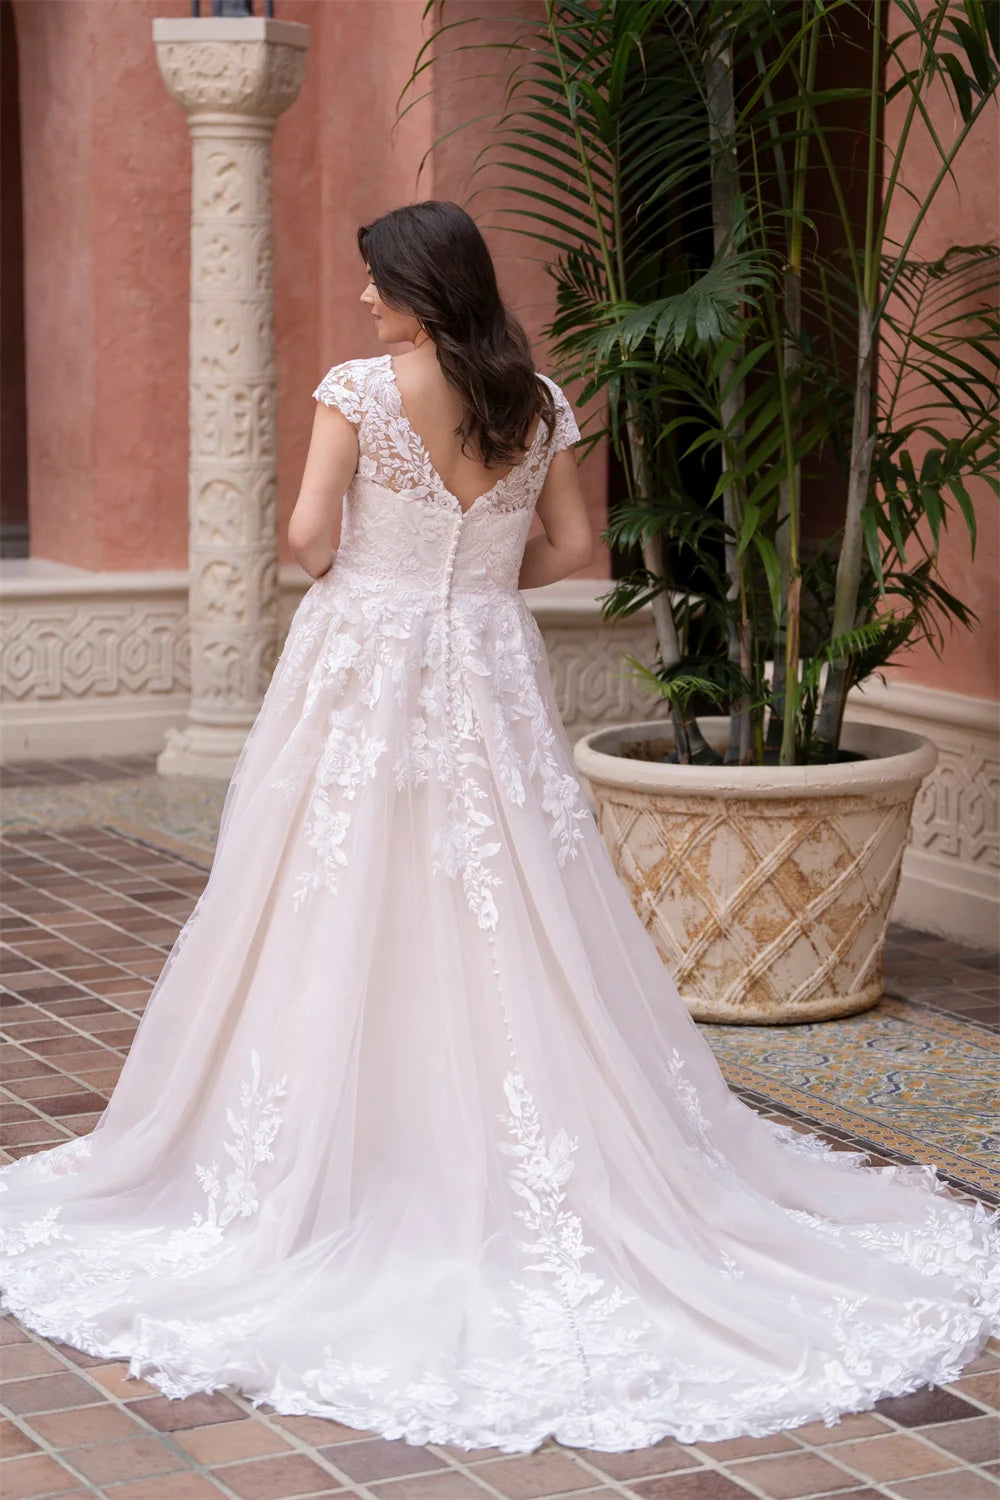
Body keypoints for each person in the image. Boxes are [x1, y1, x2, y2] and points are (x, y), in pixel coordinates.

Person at [1, 200, 996, 1456]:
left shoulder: (359, 390)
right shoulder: (536, 397)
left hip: (365, 663)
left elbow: (309, 540)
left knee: (340, 887)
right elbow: (574, 552)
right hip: (485, 663)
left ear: (420, 285)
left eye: (376, 282)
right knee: (508, 897)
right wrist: (470, 581)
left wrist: (386, 574)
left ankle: (352, 1147)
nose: (365, 302)